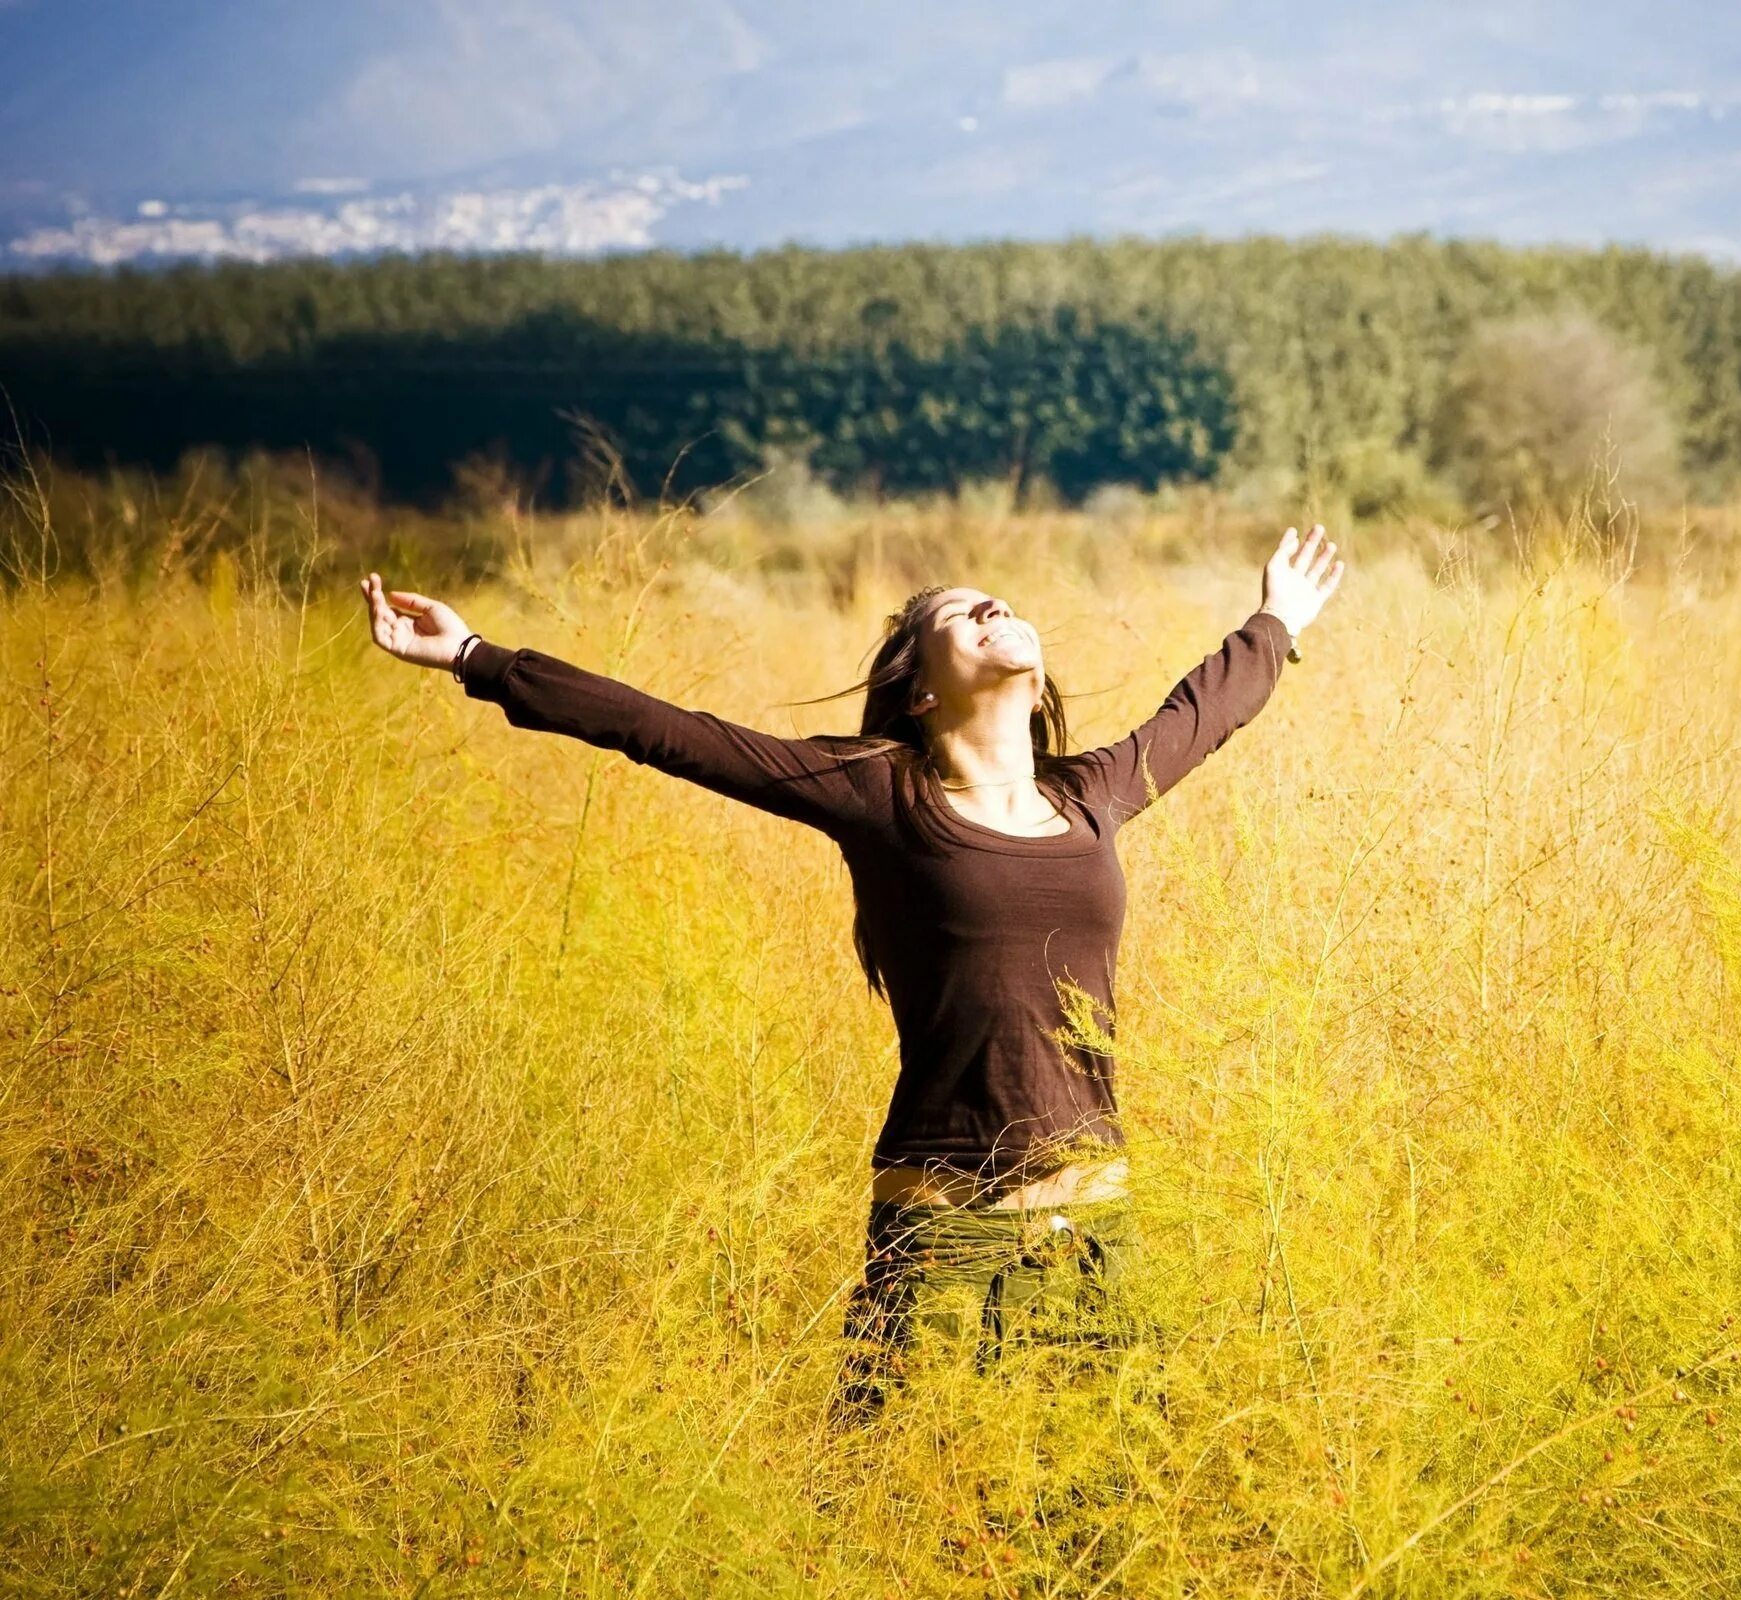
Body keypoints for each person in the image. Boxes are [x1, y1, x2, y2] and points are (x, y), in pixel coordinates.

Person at [361, 526, 1346, 1415]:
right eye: (958, 612)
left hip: (1090, 1233)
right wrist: (476, 658)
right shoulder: (882, 792)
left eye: (996, 598)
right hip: (937, 1236)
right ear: (922, 688)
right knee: (893, 1519)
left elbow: (1203, 711)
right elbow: (669, 731)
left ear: (1040, 687)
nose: (990, 606)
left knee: (1099, 1524)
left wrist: (1276, 622)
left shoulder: (1092, 793)